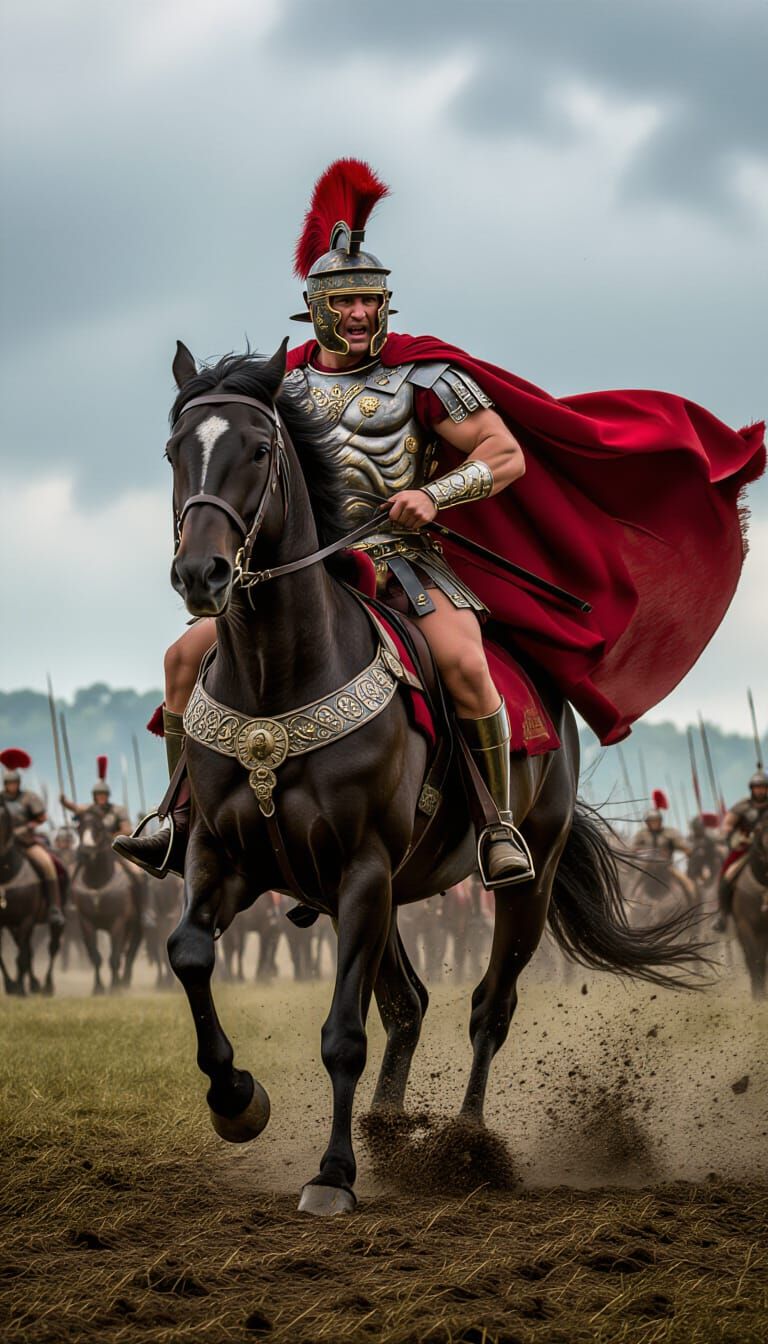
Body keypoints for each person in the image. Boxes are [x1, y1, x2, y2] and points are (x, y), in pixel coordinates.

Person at [114, 157, 764, 888]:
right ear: (315, 308)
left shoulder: (425, 376)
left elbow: (504, 455)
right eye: (344, 302)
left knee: (463, 664)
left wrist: (436, 494)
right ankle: (180, 816)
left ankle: (497, 824)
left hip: (408, 565)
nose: (359, 315)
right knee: (182, 659)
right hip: (307, 570)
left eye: (370, 301)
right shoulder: (280, 386)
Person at [0, 749, 65, 928]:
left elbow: (42, 817)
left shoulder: (29, 797)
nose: (12, 786)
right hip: (3, 843)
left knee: (48, 865)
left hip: (26, 842)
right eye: (9, 783)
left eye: (14, 783)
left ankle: (54, 908)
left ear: (18, 783)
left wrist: (28, 826)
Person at [712, 769, 768, 931]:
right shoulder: (743, 806)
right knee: (727, 874)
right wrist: (732, 836)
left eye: (763, 787)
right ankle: (722, 915)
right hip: (747, 848)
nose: (760, 790)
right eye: (757, 787)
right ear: (752, 789)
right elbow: (728, 825)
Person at [631, 797, 695, 904]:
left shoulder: (669, 833)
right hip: (647, 867)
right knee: (633, 884)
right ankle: (628, 905)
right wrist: (641, 853)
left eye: (656, 821)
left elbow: (681, 844)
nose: (654, 823)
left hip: (667, 866)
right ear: (647, 823)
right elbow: (633, 849)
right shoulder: (642, 834)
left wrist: (687, 850)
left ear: (660, 821)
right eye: (651, 821)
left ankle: (692, 905)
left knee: (687, 883)